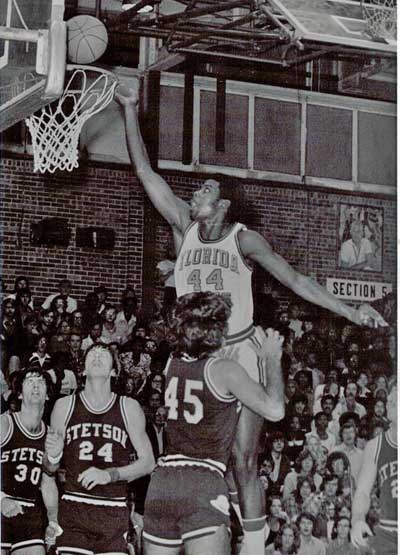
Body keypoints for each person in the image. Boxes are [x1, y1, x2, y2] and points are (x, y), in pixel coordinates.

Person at [116, 82, 386, 555]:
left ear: (223, 206)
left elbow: (297, 281)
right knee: (188, 456)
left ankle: (256, 544)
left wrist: (349, 309)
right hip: (191, 354)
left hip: (238, 350)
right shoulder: (184, 223)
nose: (194, 191)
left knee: (243, 458)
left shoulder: (244, 241)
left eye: (205, 188)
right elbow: (143, 171)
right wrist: (129, 109)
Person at [143, 291, 285, 555]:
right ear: (216, 331)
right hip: (202, 481)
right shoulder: (225, 371)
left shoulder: (170, 364)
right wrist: (271, 359)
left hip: (162, 484)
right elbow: (275, 410)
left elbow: (201, 377)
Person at [46, 343, 155, 555]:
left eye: (103, 355)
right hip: (75, 506)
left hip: (113, 509)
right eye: (91, 354)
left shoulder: (128, 407)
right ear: (83, 370)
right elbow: (49, 469)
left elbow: (148, 462)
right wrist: (54, 454)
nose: (96, 357)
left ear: (114, 371)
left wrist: (110, 475)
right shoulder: (64, 406)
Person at [1, 367, 62, 554]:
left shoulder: (50, 435)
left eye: (41, 382)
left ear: (47, 396)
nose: (36, 386)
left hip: (28, 513)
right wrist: (1, 500)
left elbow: (48, 482)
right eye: (30, 381)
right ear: (19, 394)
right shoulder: (5, 424)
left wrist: (53, 520)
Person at [351, 379, 397, 555]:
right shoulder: (375, 446)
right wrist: (358, 519)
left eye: (396, 396)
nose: (391, 399)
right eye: (391, 396)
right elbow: (362, 491)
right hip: (389, 534)